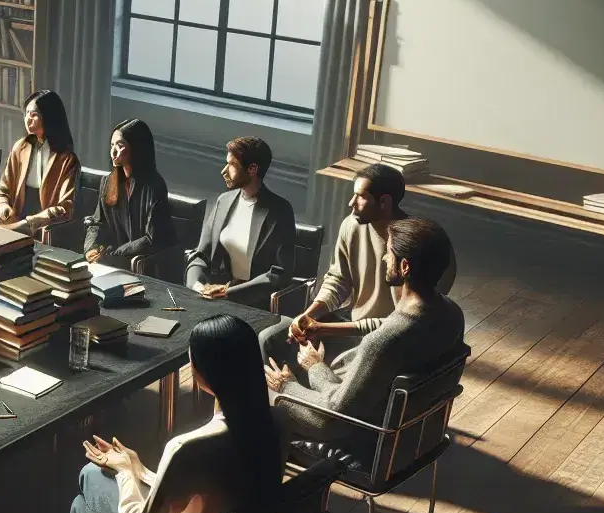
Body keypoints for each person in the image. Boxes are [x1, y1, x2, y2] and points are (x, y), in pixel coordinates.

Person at [10, 315, 285, 513]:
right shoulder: (275, 424)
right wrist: (140, 470)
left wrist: (126, 473)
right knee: (82, 509)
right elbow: (206, 498)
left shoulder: (189, 449)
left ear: (200, 375)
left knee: (89, 477)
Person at [268, 217, 465, 461]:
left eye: (389, 252)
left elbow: (333, 418)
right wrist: (323, 330)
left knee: (250, 398)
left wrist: (292, 383)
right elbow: (391, 328)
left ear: (405, 267)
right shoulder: (451, 314)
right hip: (411, 435)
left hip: (363, 437)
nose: (384, 258)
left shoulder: (384, 342)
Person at [258, 162, 458, 367]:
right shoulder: (351, 225)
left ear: (384, 202)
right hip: (353, 322)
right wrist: (309, 316)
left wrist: (321, 328)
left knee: (325, 365)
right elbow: (338, 279)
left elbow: (403, 323)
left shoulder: (417, 245)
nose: (351, 202)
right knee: (271, 341)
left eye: (361, 196)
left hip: (391, 338)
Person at [185, 136, 297, 309]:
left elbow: (279, 273)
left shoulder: (280, 211)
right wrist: (197, 286)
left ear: (252, 169)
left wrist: (228, 293)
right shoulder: (224, 201)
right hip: (211, 298)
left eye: (232, 165)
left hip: (254, 304)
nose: (224, 171)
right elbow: (201, 254)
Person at [83, 119, 175, 269]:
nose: (113, 152)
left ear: (136, 149)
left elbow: (152, 239)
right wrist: (91, 248)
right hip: (112, 262)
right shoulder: (108, 182)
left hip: (144, 265)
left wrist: (115, 254)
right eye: (112, 145)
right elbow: (97, 223)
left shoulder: (154, 186)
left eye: (120, 146)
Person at [0, 89, 79, 234]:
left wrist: (32, 222)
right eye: (26, 114)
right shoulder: (21, 147)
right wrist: (2, 205)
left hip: (43, 226)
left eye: (34, 115)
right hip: (15, 218)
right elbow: (3, 188)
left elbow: (66, 206)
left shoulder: (67, 159)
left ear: (49, 117)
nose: (28, 119)